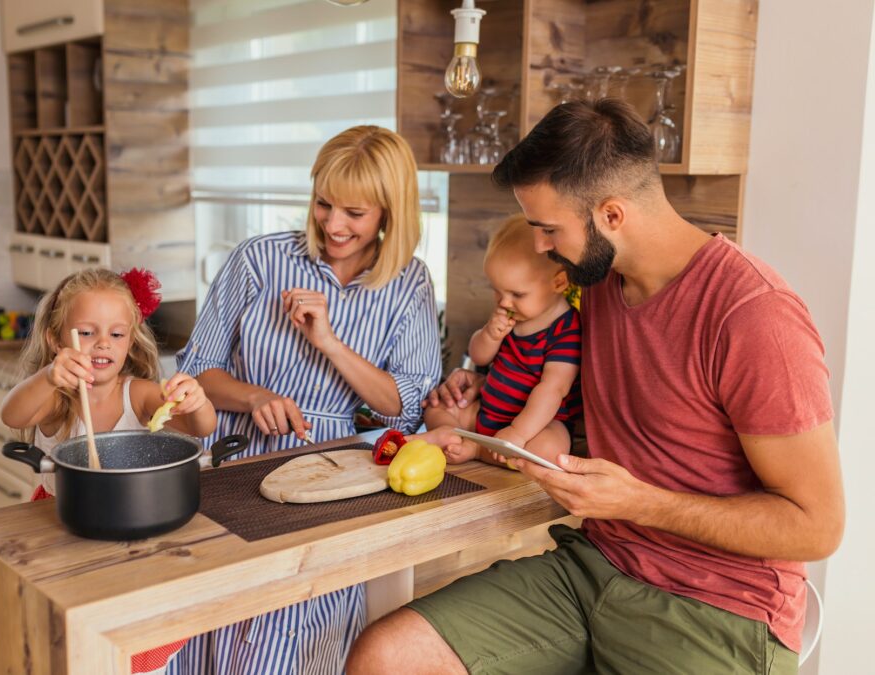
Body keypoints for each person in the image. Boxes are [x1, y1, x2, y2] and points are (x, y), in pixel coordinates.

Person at [347, 99, 845, 675]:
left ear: (611, 216)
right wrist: (477, 386)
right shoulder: (599, 284)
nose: (539, 247)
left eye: (548, 230)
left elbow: (818, 525)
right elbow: (567, 380)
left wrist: (640, 502)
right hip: (598, 566)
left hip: (719, 609)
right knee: (386, 657)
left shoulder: (755, 317)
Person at [168, 125, 442, 674]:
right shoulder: (259, 260)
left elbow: (405, 405)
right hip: (231, 463)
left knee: (293, 630)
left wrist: (329, 342)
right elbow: (194, 369)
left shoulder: (409, 284)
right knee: (208, 620)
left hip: (333, 476)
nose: (334, 225)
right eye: (323, 204)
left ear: (391, 211)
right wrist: (253, 396)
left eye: (355, 213)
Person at [0, 267, 217, 675]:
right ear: (55, 339)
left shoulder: (140, 395)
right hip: (62, 526)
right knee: (72, 643)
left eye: (117, 334)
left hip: (135, 527)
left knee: (136, 639)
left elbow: (200, 428)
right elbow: (12, 414)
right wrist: (48, 377)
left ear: (130, 341)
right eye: (86, 332)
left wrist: (196, 400)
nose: (103, 344)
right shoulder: (55, 398)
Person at [422, 214, 581, 467]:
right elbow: (478, 356)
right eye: (497, 290)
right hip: (487, 410)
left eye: (517, 293)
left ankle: (474, 448)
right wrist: (489, 334)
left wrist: (518, 433)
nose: (504, 302)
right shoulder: (511, 312)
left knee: (551, 450)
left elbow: (553, 389)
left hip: (534, 425)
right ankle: (453, 434)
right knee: (438, 406)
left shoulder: (566, 329)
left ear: (559, 283)